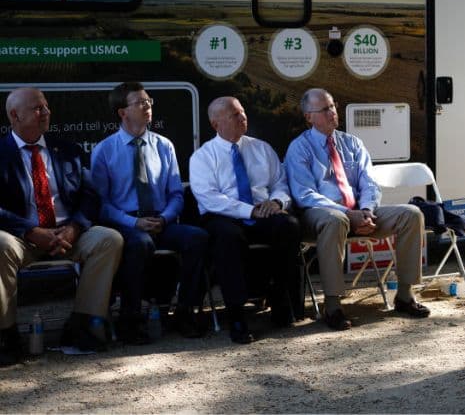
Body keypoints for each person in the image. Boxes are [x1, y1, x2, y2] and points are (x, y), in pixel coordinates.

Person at [284, 88, 429, 331]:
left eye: (333, 106)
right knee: (335, 220)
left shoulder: (352, 143)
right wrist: (347, 214)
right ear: (309, 117)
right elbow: (304, 195)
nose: (332, 113)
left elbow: (369, 183)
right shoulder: (299, 148)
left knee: (411, 214)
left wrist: (367, 210)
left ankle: (405, 295)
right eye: (325, 109)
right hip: (320, 215)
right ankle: (333, 306)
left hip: (359, 213)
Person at [0, 87, 123, 364]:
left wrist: (75, 228)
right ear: (15, 116)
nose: (46, 112)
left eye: (46, 106)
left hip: (68, 235)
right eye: (37, 108)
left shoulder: (68, 150)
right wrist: (31, 231)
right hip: (21, 238)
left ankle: (84, 325)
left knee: (109, 239)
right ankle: (6, 335)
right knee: (0, 244)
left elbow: (90, 196)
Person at [91, 82, 209, 343]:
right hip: (126, 224)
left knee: (197, 237)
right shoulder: (104, 150)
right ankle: (130, 320)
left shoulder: (164, 145)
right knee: (140, 243)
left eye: (149, 101)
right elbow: (102, 204)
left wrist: (165, 218)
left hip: (160, 219)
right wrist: (133, 222)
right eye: (140, 103)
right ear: (123, 112)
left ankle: (184, 312)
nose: (147, 107)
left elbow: (176, 193)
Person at [189, 96, 303, 344]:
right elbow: (210, 198)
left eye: (242, 112)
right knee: (228, 237)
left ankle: (281, 298)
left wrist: (277, 202)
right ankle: (236, 314)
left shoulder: (262, 148)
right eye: (235, 115)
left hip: (263, 211)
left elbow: (280, 183)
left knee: (289, 226)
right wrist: (248, 211)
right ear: (216, 123)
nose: (243, 117)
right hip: (223, 216)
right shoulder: (203, 157)